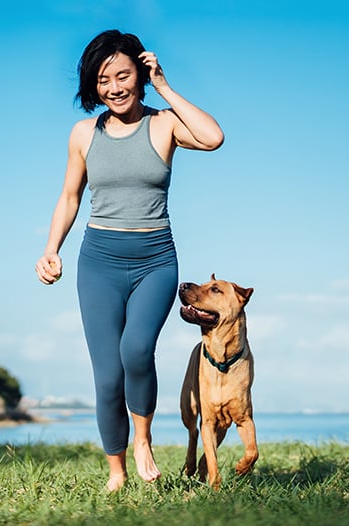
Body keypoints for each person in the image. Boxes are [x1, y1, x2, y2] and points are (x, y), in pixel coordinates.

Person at [35, 29, 224, 492]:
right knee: (107, 375)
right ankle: (116, 472)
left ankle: (143, 441)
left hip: (155, 261)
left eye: (123, 75)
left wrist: (164, 86)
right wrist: (50, 250)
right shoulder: (84, 133)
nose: (114, 87)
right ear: (92, 85)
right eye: (103, 79)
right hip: (98, 261)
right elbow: (69, 196)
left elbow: (213, 137)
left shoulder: (164, 124)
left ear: (139, 73)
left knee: (137, 350)